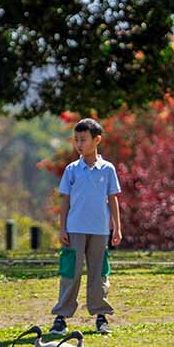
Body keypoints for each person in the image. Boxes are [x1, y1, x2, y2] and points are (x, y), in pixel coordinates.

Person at [52, 117, 122, 334]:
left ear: (97, 140)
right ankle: (61, 317)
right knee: (70, 272)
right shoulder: (72, 170)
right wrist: (62, 228)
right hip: (74, 230)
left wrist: (116, 227)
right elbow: (65, 201)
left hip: (100, 230)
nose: (79, 144)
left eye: (83, 139)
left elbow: (113, 199)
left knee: (99, 273)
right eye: (76, 140)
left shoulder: (107, 169)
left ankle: (101, 316)